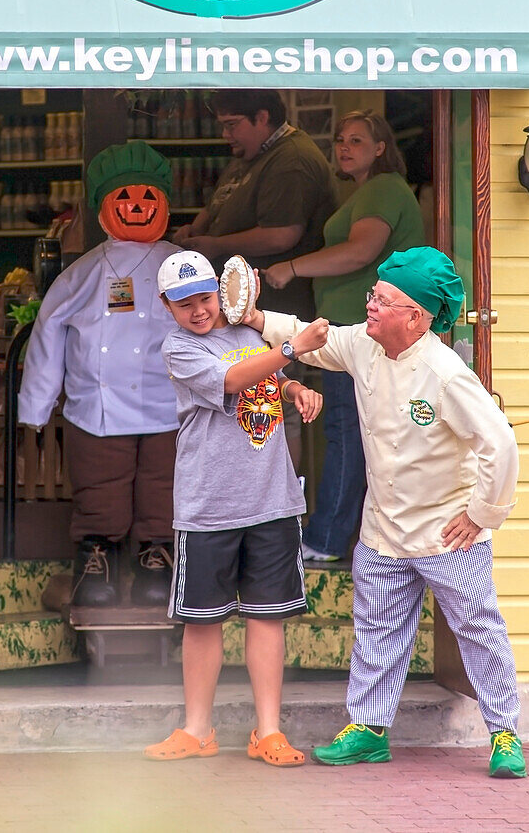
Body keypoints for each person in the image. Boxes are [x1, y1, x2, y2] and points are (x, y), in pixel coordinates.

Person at [247, 247, 526, 778]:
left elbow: (500, 444)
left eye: (382, 299)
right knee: (376, 629)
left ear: (415, 317)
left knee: (477, 629)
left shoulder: (447, 373)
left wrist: (483, 515)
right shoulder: (363, 345)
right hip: (382, 529)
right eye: (373, 295)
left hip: (448, 533)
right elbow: (313, 338)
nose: (369, 304)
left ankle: (505, 734)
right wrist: (256, 317)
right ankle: (370, 731)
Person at [144, 250, 326, 767]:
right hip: (208, 505)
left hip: (272, 499)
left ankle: (268, 730)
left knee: (267, 618)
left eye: (204, 299)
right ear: (167, 306)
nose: (198, 312)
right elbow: (232, 381)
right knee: (203, 621)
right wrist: (292, 349)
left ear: (219, 293)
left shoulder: (251, 334)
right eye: (184, 305)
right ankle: (196, 729)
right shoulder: (178, 348)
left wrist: (293, 388)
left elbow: (261, 377)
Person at [18, 141, 180, 607]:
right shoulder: (82, 274)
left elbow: (213, 323)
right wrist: (37, 404)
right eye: (125, 196)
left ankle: (157, 559)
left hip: (169, 406)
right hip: (97, 409)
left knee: (161, 489)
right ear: (105, 206)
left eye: (148, 197)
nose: (136, 206)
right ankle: (96, 562)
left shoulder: (184, 268)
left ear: (164, 204)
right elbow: (48, 334)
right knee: (100, 492)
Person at [264, 110, 425, 562]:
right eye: (340, 139)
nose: (344, 147)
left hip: (362, 331)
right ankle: (340, 535)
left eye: (357, 140)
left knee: (346, 432)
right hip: (351, 329)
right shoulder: (367, 191)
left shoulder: (383, 188)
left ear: (380, 148)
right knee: (351, 430)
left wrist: (292, 267)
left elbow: (360, 251)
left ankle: (327, 540)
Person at [173, 89, 336, 466]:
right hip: (237, 310)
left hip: (276, 309)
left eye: (233, 125)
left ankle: (286, 502)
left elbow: (283, 233)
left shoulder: (291, 160)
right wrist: (195, 231)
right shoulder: (254, 153)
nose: (226, 135)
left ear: (262, 117)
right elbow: (221, 203)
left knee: (277, 406)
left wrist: (212, 245)